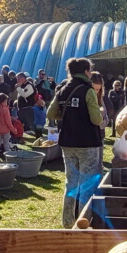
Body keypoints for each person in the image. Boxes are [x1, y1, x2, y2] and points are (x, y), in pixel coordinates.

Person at [47, 57, 104, 227]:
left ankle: (67, 221)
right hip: (87, 142)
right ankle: (83, 221)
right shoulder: (88, 90)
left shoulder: (62, 90)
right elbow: (95, 119)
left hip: (67, 141)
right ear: (86, 72)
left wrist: (69, 116)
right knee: (87, 184)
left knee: (70, 183)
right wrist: (100, 114)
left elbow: (51, 113)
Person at [0, 93, 14, 160]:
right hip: (5, 130)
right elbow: (8, 121)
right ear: (3, 100)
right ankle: (8, 159)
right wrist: (13, 129)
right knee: (6, 145)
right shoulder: (5, 109)